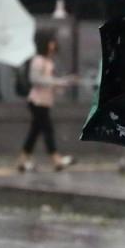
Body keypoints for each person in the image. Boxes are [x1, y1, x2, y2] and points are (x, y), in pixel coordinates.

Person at [17, 30, 77, 172]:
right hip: (37, 102)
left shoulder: (49, 61)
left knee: (35, 132)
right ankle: (56, 159)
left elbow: (50, 83)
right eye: (51, 42)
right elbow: (36, 79)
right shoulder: (38, 60)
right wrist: (58, 82)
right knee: (47, 130)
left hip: (45, 102)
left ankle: (22, 159)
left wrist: (64, 83)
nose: (53, 44)